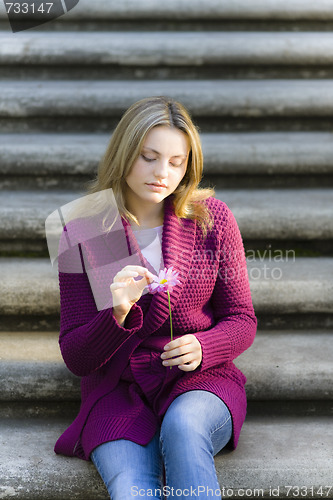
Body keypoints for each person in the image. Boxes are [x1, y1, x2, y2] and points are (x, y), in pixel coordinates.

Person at [54, 96, 257, 499]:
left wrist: (205, 344)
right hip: (118, 391)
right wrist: (117, 314)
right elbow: (76, 356)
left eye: (176, 162)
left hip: (200, 382)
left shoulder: (210, 219)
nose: (162, 173)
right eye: (148, 157)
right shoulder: (86, 232)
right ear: (125, 153)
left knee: (183, 429)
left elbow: (241, 319)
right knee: (132, 489)